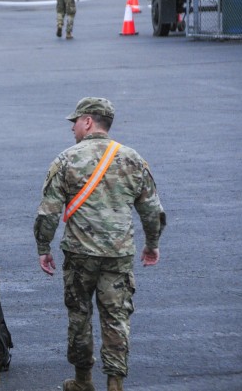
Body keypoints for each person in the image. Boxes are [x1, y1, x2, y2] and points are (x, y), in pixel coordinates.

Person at [33, 97, 166, 391]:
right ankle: (115, 383)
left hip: (80, 254)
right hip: (119, 254)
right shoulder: (133, 159)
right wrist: (152, 244)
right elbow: (152, 210)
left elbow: (49, 212)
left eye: (75, 122)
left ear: (88, 121)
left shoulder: (66, 159)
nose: (72, 129)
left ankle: (82, 381)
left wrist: (44, 248)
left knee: (79, 316)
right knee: (116, 317)